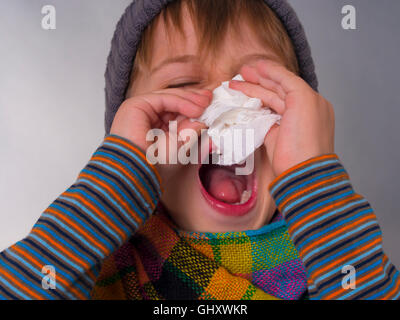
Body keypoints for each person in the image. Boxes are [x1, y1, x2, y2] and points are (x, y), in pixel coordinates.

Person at [0, 0, 399, 300]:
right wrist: (110, 190)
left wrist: (317, 184)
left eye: (254, 88)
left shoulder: (337, 261)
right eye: (181, 86)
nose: (225, 107)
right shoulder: (97, 271)